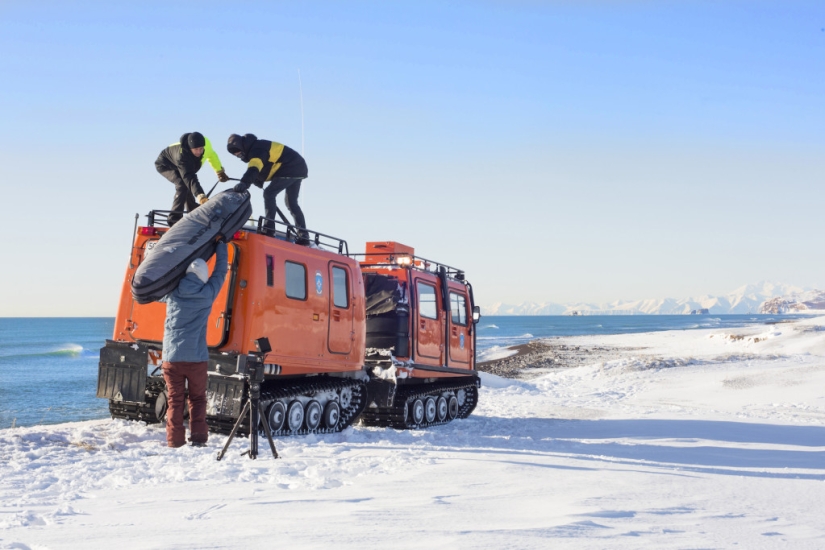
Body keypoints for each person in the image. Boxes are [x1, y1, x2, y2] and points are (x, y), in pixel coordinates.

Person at [159, 240, 228, 448]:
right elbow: (221, 271)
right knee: (197, 399)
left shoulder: (172, 293)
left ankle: (174, 440)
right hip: (196, 358)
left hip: (171, 358)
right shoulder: (207, 294)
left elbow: (156, 287)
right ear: (204, 277)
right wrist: (221, 245)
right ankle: (198, 438)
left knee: (175, 399)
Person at [226, 133, 308, 240]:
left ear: (242, 146)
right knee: (291, 203)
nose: (238, 155)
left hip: (290, 167)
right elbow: (267, 166)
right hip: (298, 167)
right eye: (235, 154)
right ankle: (304, 235)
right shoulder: (256, 147)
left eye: (238, 152)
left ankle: (269, 228)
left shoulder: (257, 150)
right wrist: (256, 180)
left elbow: (254, 167)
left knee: (269, 194)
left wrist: (245, 183)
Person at [155, 132, 230, 226]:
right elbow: (189, 177)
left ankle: (193, 212)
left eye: (201, 149)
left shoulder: (207, 146)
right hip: (166, 165)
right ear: (190, 148)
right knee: (182, 184)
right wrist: (201, 196)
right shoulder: (182, 156)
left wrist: (219, 171)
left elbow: (212, 156)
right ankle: (174, 219)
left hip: (184, 168)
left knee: (188, 186)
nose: (199, 152)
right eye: (196, 149)